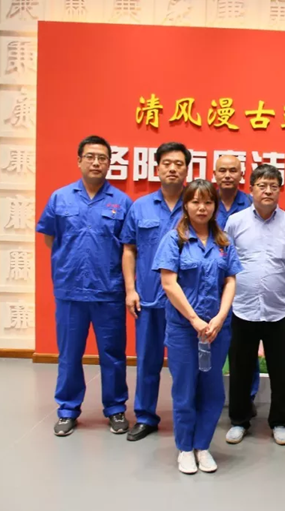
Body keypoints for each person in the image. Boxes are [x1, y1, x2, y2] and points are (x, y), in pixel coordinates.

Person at [36, 135, 133, 437]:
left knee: (113, 354)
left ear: (109, 163)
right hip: (70, 290)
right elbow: (50, 237)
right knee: (69, 354)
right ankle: (67, 410)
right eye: (90, 156)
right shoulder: (60, 198)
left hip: (109, 291)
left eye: (102, 157)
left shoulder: (121, 202)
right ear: (79, 161)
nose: (96, 162)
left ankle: (115, 408)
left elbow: (129, 248)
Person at [153, 180, 242, 473]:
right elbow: (169, 283)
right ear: (186, 205)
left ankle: (202, 446)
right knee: (185, 390)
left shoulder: (223, 242)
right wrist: (194, 319)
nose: (201, 208)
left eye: (208, 202)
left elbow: (230, 281)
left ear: (215, 206)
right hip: (184, 329)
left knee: (213, 390)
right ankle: (184, 448)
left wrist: (220, 317)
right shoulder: (174, 240)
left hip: (217, 331)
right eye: (195, 201)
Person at [224, 164, 285, 446]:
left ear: (280, 190)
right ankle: (239, 421)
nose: (268, 191)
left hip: (279, 311)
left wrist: (277, 276)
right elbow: (226, 260)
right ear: (251, 189)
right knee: (240, 370)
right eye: (262, 185)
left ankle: (279, 422)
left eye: (273, 186)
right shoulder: (235, 222)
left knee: (280, 372)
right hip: (242, 308)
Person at [121, 142, 186, 442]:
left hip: (186, 303)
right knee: (147, 361)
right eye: (167, 163)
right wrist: (130, 289)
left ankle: (188, 418)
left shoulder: (197, 204)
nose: (172, 168)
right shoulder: (140, 206)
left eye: (179, 164)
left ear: (187, 169)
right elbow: (129, 250)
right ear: (157, 168)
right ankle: (145, 416)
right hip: (148, 299)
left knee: (185, 365)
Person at [213, 154, 259, 413]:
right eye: (223, 170)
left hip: (244, 285)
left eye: (233, 170)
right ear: (214, 174)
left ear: (242, 175)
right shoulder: (206, 202)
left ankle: (247, 398)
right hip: (211, 285)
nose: (228, 175)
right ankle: (210, 395)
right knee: (210, 341)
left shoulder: (253, 204)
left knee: (245, 345)